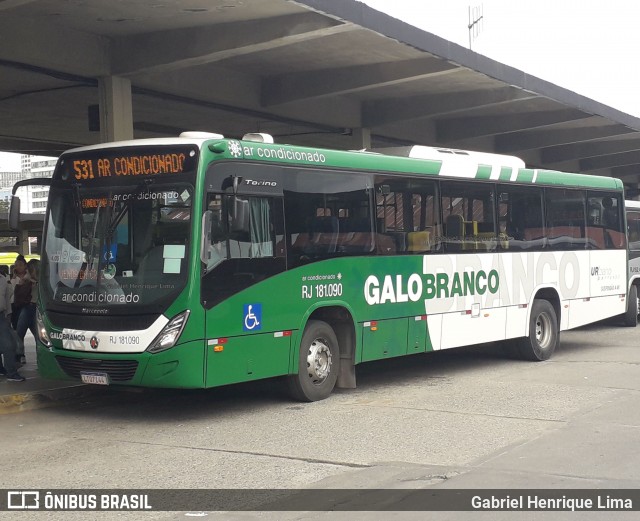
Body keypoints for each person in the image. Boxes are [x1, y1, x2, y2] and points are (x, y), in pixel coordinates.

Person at [0, 265, 25, 382]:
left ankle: (11, 371)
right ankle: (7, 370)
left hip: (1, 315)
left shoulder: (3, 279)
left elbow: (6, 299)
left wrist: (8, 314)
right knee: (7, 344)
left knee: (9, 344)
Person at [16, 259, 39, 360]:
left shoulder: (42, 280)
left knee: (39, 336)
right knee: (19, 333)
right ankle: (19, 355)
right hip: (27, 307)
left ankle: (41, 357)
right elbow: (18, 294)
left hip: (36, 308)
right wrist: (25, 282)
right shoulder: (26, 280)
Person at [10, 254, 32, 362]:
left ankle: (20, 354)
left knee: (21, 330)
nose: (17, 267)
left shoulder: (29, 278)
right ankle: (20, 353)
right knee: (17, 331)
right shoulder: (12, 278)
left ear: (25, 266)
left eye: (20, 265)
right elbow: (11, 292)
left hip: (26, 306)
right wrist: (14, 278)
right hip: (14, 306)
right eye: (16, 265)